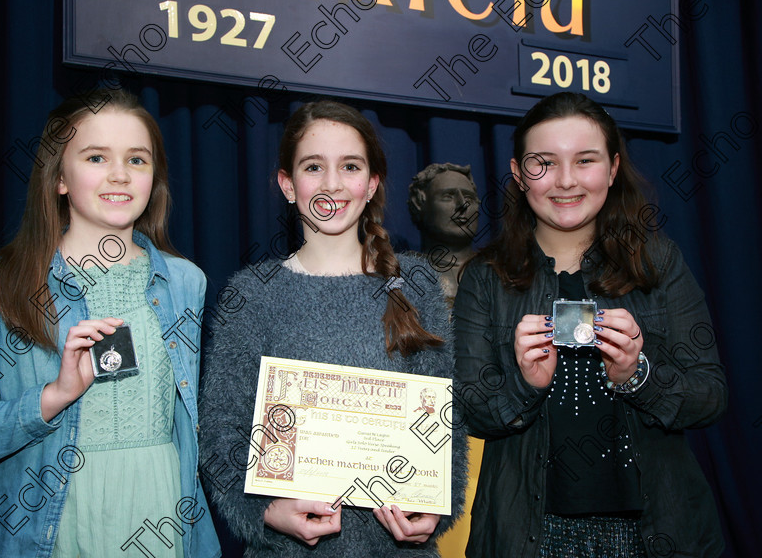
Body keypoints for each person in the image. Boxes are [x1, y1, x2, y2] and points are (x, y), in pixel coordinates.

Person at [0, 88, 221, 558]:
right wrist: (53, 398)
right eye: (95, 157)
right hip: (50, 527)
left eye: (137, 160)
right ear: (59, 178)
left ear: (154, 177)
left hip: (163, 517)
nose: (119, 175)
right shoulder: (6, 281)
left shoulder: (185, 281)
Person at [453, 92, 727, 557]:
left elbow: (710, 396)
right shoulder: (486, 276)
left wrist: (636, 376)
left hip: (652, 532)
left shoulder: (658, 263)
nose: (565, 181)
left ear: (613, 168)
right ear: (519, 175)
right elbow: (468, 410)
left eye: (585, 161)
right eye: (543, 163)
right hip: (527, 535)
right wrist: (525, 385)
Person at [199, 100, 466, 557]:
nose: (332, 184)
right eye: (313, 167)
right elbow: (220, 431)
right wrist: (262, 509)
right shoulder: (251, 295)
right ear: (287, 184)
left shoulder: (417, 283)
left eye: (350, 166)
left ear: (372, 183)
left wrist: (438, 505)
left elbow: (447, 416)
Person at [407, 163, 480, 304]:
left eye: (469, 198)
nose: (462, 205)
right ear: (419, 204)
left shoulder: (503, 273)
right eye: (448, 196)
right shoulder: (402, 274)